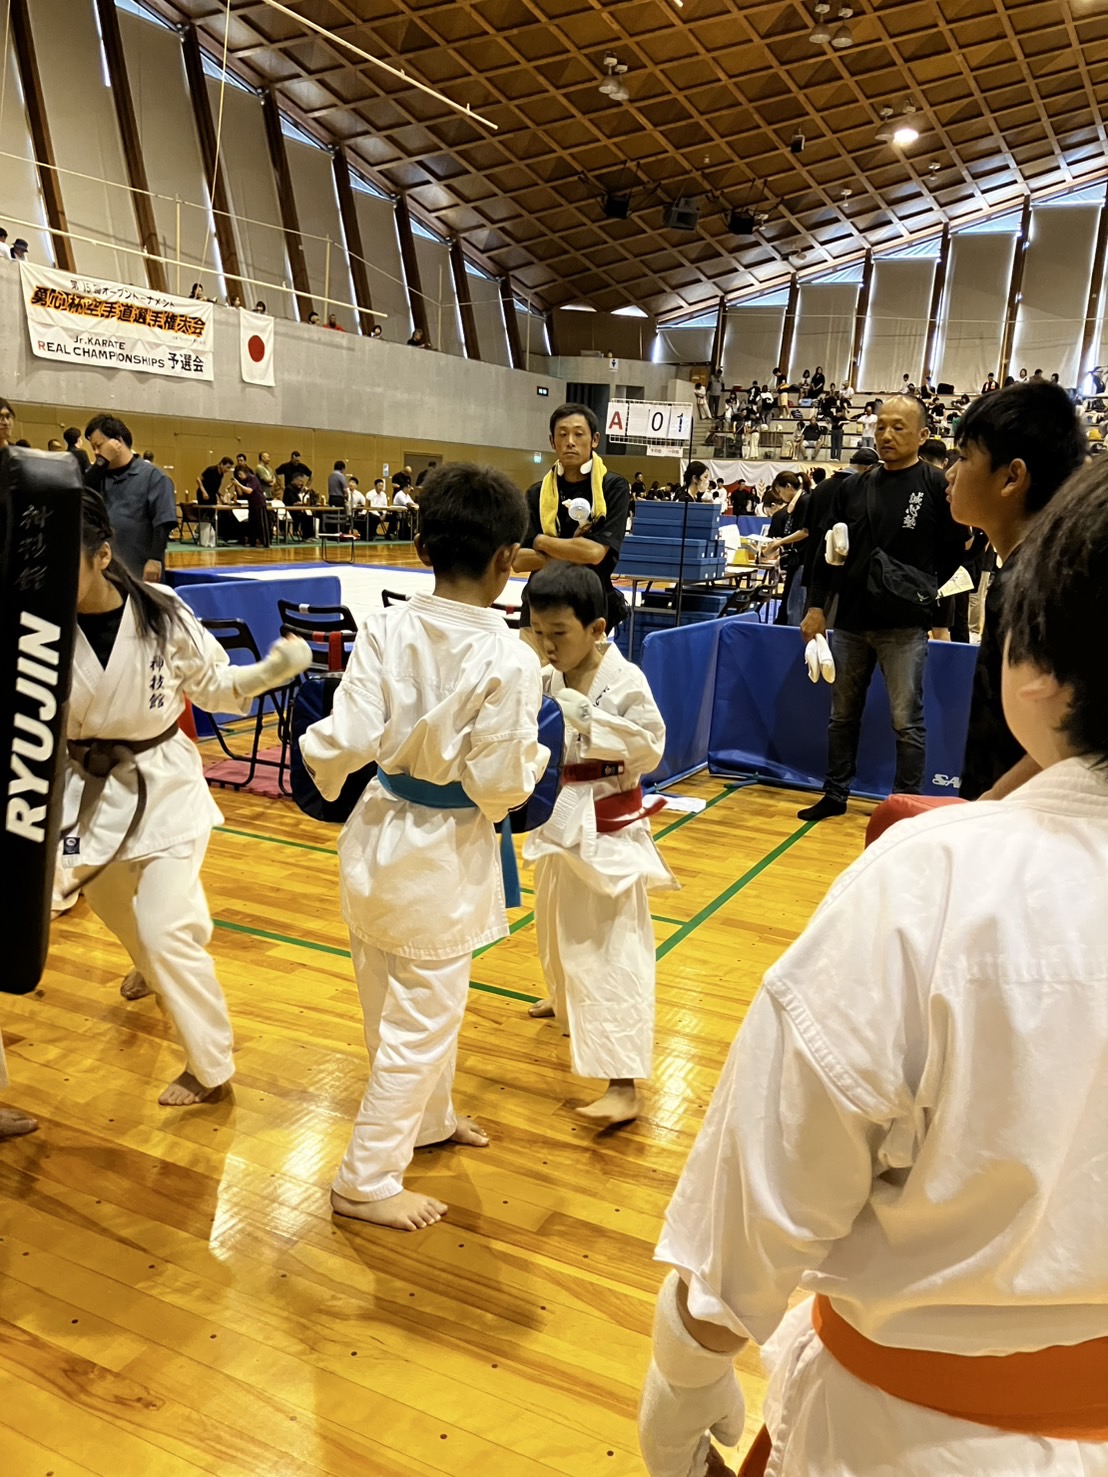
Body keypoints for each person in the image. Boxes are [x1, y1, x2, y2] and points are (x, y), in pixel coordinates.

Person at [640, 456, 1108, 1477]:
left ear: (1033, 664)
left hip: (918, 1438)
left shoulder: (933, 885)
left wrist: (682, 1381)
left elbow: (763, 1202)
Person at [299, 465, 547, 1232]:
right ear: (510, 559)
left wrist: (322, 767)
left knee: (389, 1003)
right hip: (440, 855)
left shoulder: (384, 627)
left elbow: (344, 737)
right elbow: (500, 785)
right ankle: (365, 1179)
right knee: (423, 1022)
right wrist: (535, 766)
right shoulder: (511, 658)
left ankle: (429, 1120)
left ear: (419, 547)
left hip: (375, 831)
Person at [63, 490, 309, 1105]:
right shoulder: (33, 623)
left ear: (101, 555)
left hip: (163, 784)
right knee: (113, 908)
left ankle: (210, 1067)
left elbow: (214, 686)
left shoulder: (160, 610)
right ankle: (150, 967)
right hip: (83, 790)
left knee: (167, 928)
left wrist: (267, 673)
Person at [523, 564, 673, 1126]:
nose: (548, 644)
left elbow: (652, 749)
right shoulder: (547, 677)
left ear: (597, 628)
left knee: (610, 948)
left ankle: (623, 1084)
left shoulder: (626, 680)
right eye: (539, 632)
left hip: (609, 826)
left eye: (559, 632)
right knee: (554, 921)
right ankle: (563, 998)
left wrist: (589, 719)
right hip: (559, 816)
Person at [798, 396, 966, 821]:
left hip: (905, 625)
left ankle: (904, 804)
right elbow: (827, 551)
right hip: (852, 620)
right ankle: (835, 793)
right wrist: (816, 606)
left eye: (898, 427)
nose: (886, 435)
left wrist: (925, 593)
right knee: (841, 715)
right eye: (881, 427)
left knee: (906, 720)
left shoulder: (935, 485)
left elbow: (954, 552)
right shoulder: (854, 487)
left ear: (923, 435)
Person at [949, 380, 1087, 800]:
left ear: (1012, 477)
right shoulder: (1039, 568)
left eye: (963, 457)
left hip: (1024, 816)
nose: (950, 473)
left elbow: (1067, 733)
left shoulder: (1035, 585)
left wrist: (989, 806)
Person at [514, 402, 631, 638]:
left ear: (594, 440)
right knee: (533, 663)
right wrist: (575, 550)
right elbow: (519, 560)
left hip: (589, 607)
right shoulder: (537, 493)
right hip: (539, 605)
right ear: (552, 441)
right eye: (562, 434)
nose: (570, 441)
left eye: (578, 434)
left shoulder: (612, 488)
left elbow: (594, 553)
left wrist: (540, 541)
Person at [84, 414, 177, 582]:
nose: (96, 452)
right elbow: (80, 494)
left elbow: (163, 522)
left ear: (117, 441)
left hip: (139, 568)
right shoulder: (98, 476)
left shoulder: (154, 477)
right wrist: (102, 461)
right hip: (104, 572)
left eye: (99, 446)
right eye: (93, 449)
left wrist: (155, 559)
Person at [235, 462, 270, 548]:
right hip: (252, 504)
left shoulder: (252, 478)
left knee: (261, 524)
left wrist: (238, 484)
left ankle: (265, 542)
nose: (239, 476)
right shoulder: (244, 481)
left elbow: (249, 491)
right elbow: (241, 493)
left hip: (259, 503)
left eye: (240, 474)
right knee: (252, 524)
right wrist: (236, 485)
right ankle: (252, 542)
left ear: (245, 472)